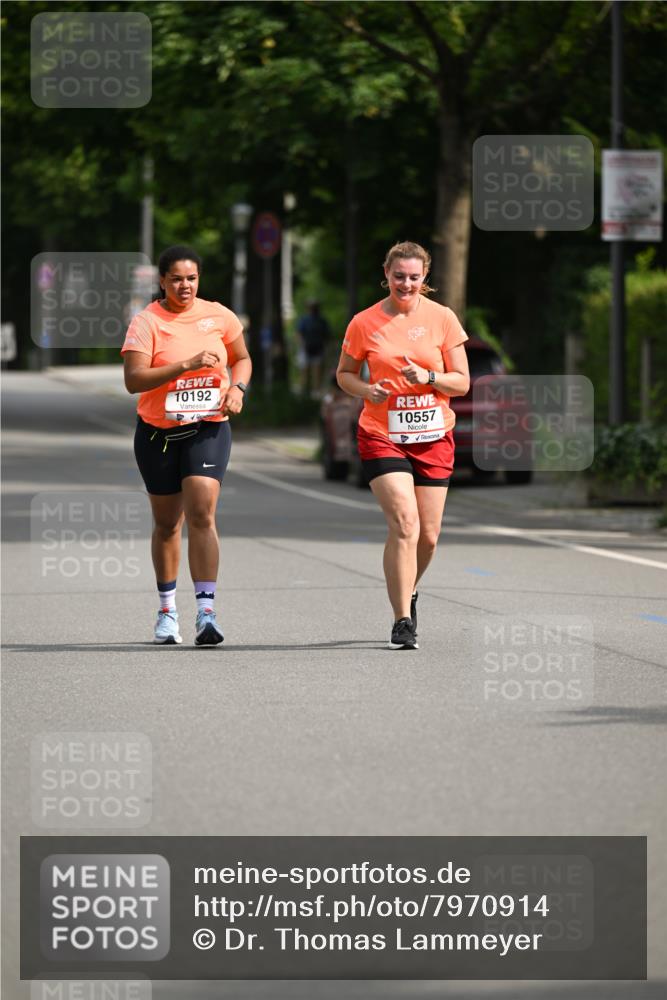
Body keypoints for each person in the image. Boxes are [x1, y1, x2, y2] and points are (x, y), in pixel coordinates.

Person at [336, 241, 470, 650]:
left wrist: (429, 377)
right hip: (381, 433)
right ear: (387, 274)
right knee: (405, 524)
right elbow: (344, 374)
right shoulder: (364, 322)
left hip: (433, 434)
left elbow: (461, 382)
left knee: (428, 536)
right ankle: (402, 620)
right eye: (399, 276)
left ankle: (408, 588)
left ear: (424, 277)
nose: (406, 284)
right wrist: (366, 388)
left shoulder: (442, 318)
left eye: (414, 277)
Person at [121, 245, 251, 646]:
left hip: (207, 428)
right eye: (176, 278)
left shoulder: (219, 315)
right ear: (162, 281)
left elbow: (242, 357)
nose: (185, 285)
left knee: (202, 514)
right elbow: (134, 381)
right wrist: (185, 365)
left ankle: (207, 614)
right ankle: (167, 611)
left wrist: (237, 387)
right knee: (166, 524)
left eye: (191, 278)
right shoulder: (147, 322)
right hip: (158, 435)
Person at [296, 299, 330, 395]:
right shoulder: (304, 320)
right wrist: (302, 344)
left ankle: (315, 391)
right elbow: (299, 334)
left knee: (317, 371)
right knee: (304, 371)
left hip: (318, 348)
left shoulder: (322, 321)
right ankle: (303, 391)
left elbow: (327, 336)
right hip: (305, 348)